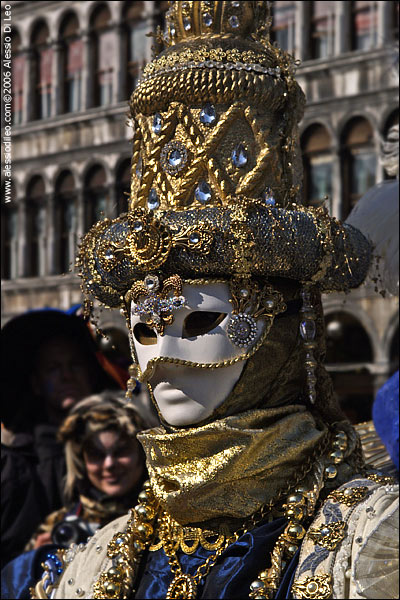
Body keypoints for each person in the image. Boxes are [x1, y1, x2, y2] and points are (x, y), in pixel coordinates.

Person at [24, 2, 399, 598]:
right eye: (143, 329)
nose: (160, 357)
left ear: (282, 329)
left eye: (200, 317)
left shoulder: (370, 546)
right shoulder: (99, 559)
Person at [1, 309, 121, 567]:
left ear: (91, 372)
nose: (66, 375)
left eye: (74, 364)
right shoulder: (14, 466)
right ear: (36, 383)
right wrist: (30, 557)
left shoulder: (126, 447)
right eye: (53, 368)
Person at [25, 391, 148, 551]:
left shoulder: (166, 517)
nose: (109, 464)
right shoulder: (59, 526)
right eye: (96, 455)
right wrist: (36, 563)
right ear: (81, 461)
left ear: (142, 452)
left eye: (121, 451)